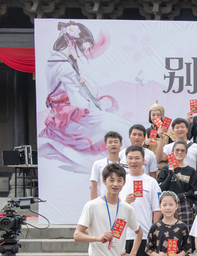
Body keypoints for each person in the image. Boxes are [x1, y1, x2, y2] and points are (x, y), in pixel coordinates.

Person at [38, 21, 134, 174]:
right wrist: (95, 108)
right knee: (119, 127)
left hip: (64, 116)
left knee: (121, 125)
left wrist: (82, 85)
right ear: (71, 42)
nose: (83, 53)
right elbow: (77, 101)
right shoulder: (65, 67)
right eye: (83, 48)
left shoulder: (55, 61)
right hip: (70, 118)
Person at [116, 145, 162, 256]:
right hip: (122, 235)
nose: (133, 161)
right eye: (130, 158)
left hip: (144, 235)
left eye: (137, 158)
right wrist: (123, 202)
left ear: (144, 160)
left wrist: (154, 233)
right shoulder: (120, 182)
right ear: (125, 160)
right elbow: (111, 207)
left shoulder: (151, 182)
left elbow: (157, 209)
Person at [156, 141, 197, 231]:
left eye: (182, 151)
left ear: (186, 153)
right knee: (167, 233)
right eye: (177, 150)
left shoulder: (191, 171)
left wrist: (182, 196)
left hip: (184, 206)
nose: (179, 152)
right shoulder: (165, 169)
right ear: (172, 152)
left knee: (184, 233)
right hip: (167, 205)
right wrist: (170, 174)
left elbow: (195, 191)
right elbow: (160, 188)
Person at [90, 131, 128, 199]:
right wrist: (93, 204)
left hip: (122, 202)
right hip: (104, 202)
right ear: (105, 145)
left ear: (121, 144)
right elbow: (94, 185)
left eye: (116, 142)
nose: (113, 144)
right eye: (110, 142)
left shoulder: (127, 165)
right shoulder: (98, 164)